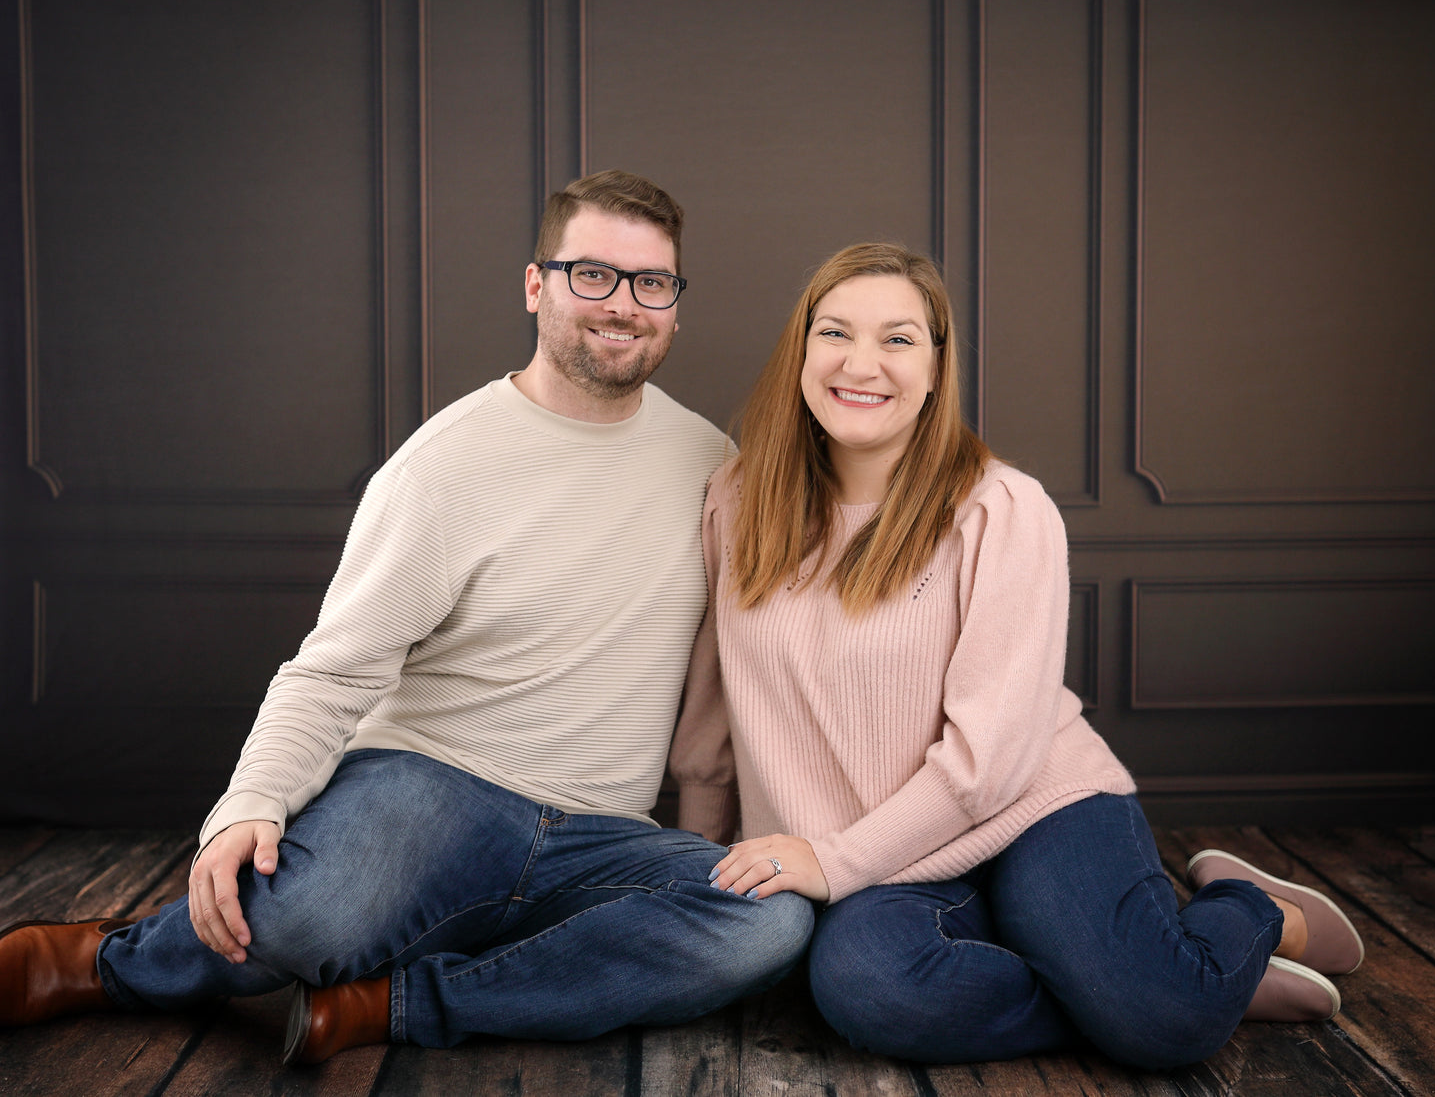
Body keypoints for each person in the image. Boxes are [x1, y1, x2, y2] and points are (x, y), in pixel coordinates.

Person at [0, 170, 813, 1063]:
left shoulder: (709, 463)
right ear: (536, 285)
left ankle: (387, 1005)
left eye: (649, 283)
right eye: (592, 275)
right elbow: (335, 667)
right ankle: (105, 963)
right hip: (434, 790)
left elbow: (727, 666)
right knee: (298, 921)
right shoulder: (444, 465)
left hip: (602, 833)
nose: (621, 305)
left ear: (672, 304)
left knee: (767, 922)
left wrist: (704, 828)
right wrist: (249, 804)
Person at [668, 242, 1364, 1069]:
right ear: (801, 350)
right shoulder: (737, 500)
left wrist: (831, 861)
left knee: (1164, 1027)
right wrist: (705, 881)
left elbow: (988, 762)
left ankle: (1249, 916)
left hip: (1029, 811)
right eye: (834, 332)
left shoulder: (999, 508)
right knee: (871, 988)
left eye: (897, 339)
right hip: (884, 856)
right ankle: (1151, 972)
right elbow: (711, 718)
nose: (862, 363)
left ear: (935, 368)